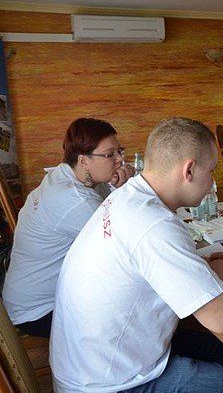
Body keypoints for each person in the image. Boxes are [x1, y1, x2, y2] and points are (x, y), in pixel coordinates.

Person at [49, 117, 223, 392]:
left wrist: (201, 267)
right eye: (212, 171)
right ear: (189, 170)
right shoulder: (154, 224)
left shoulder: (126, 197)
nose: (212, 183)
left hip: (91, 362)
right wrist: (220, 273)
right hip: (110, 384)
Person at [2, 118, 134, 337]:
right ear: (83, 160)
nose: (120, 159)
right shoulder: (76, 202)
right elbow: (127, 247)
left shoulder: (66, 174)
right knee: (135, 317)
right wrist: (128, 190)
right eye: (110, 154)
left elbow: (111, 215)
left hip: (23, 295)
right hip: (39, 311)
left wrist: (115, 185)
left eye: (120, 151)